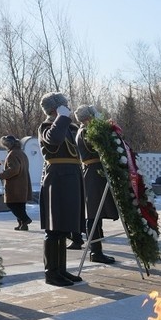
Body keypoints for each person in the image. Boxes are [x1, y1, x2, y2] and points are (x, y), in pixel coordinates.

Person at [37, 92, 84, 287]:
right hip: (56, 179)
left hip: (71, 178)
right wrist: (62, 118)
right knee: (54, 228)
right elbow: (54, 140)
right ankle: (51, 272)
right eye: (63, 106)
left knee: (64, 228)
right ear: (55, 109)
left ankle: (62, 270)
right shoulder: (47, 126)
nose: (68, 108)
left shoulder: (68, 127)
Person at [74, 104, 118, 264]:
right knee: (93, 213)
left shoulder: (85, 130)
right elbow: (101, 145)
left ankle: (97, 250)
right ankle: (95, 251)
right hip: (93, 173)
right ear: (88, 118)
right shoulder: (86, 131)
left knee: (96, 213)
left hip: (95, 172)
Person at [0, 135, 32, 231]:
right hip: (23, 183)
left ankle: (25, 219)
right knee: (20, 205)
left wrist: (2, 175)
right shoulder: (21, 153)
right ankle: (23, 225)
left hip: (15, 185)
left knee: (11, 204)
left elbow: (14, 169)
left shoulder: (12, 154)